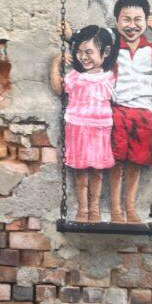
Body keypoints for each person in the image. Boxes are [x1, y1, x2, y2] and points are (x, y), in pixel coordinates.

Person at [62, 0, 152, 223]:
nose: (131, 26)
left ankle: (130, 208)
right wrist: (70, 37)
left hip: (143, 112)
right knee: (115, 161)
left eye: (138, 20)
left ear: (146, 20)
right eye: (126, 19)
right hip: (118, 110)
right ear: (117, 21)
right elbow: (90, 43)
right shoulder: (112, 46)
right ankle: (116, 209)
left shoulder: (150, 48)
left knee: (136, 162)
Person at [49, 25, 117, 223]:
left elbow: (117, 46)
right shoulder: (75, 76)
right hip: (77, 127)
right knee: (80, 172)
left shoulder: (110, 76)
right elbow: (58, 89)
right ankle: (83, 208)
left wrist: (72, 36)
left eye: (89, 52)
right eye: (79, 52)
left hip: (100, 128)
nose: (83, 57)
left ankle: (94, 209)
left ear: (106, 52)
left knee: (97, 171)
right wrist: (56, 63)